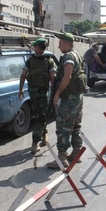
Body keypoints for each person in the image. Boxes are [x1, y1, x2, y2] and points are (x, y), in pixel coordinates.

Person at [46, 33, 86, 169]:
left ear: (68, 44)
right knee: (75, 125)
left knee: (63, 127)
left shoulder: (69, 57)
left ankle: (61, 158)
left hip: (69, 99)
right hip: (77, 97)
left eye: (61, 43)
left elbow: (67, 76)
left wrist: (57, 93)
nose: (59, 46)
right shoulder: (77, 55)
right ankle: (76, 152)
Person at [18, 38, 56, 155]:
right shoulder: (49, 61)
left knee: (40, 115)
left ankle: (42, 138)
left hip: (33, 94)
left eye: (35, 46)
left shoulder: (30, 61)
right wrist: (55, 92)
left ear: (39, 48)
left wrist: (20, 90)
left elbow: (23, 75)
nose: (34, 48)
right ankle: (35, 143)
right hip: (43, 94)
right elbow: (53, 77)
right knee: (41, 116)